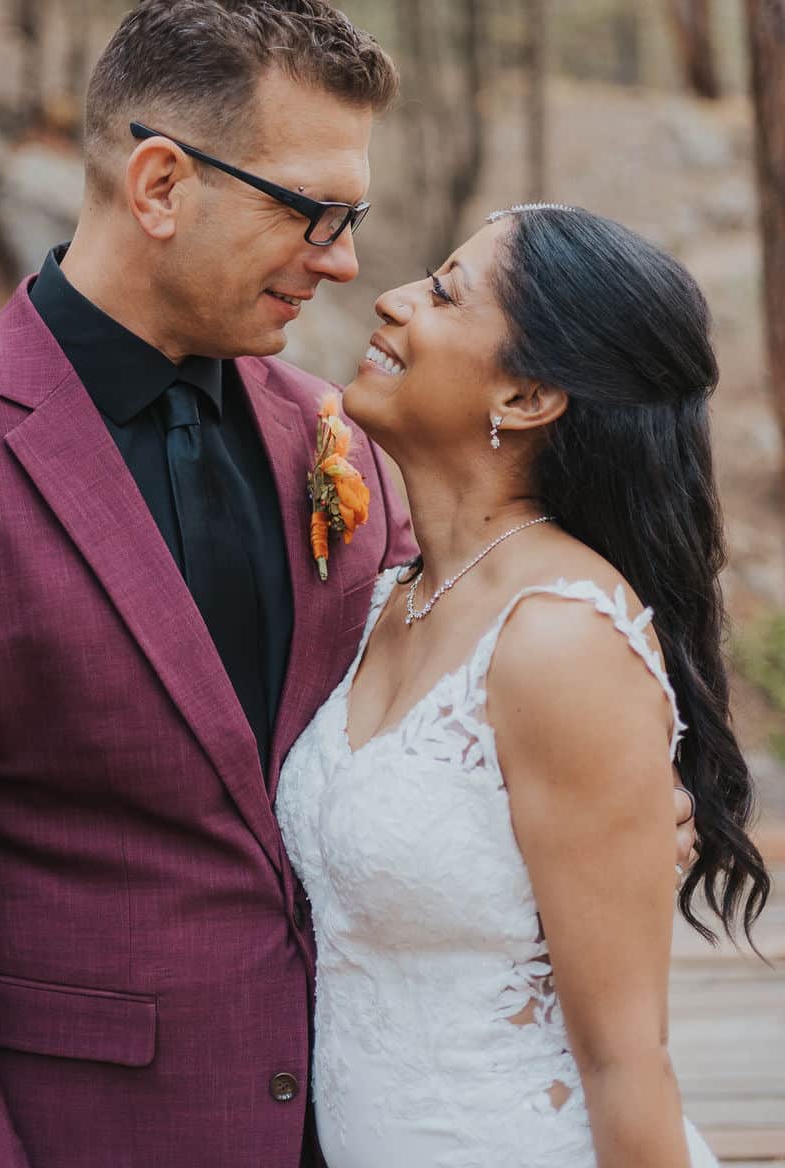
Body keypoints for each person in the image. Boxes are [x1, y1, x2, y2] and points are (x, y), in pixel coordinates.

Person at [0, 0, 415, 1168]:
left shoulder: (327, 432)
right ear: (162, 184)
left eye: (354, 220)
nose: (339, 261)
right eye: (311, 211)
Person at [275, 204, 769, 1168]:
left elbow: (628, 1064)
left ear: (531, 394)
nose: (392, 297)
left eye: (446, 291)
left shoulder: (560, 639)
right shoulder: (385, 600)